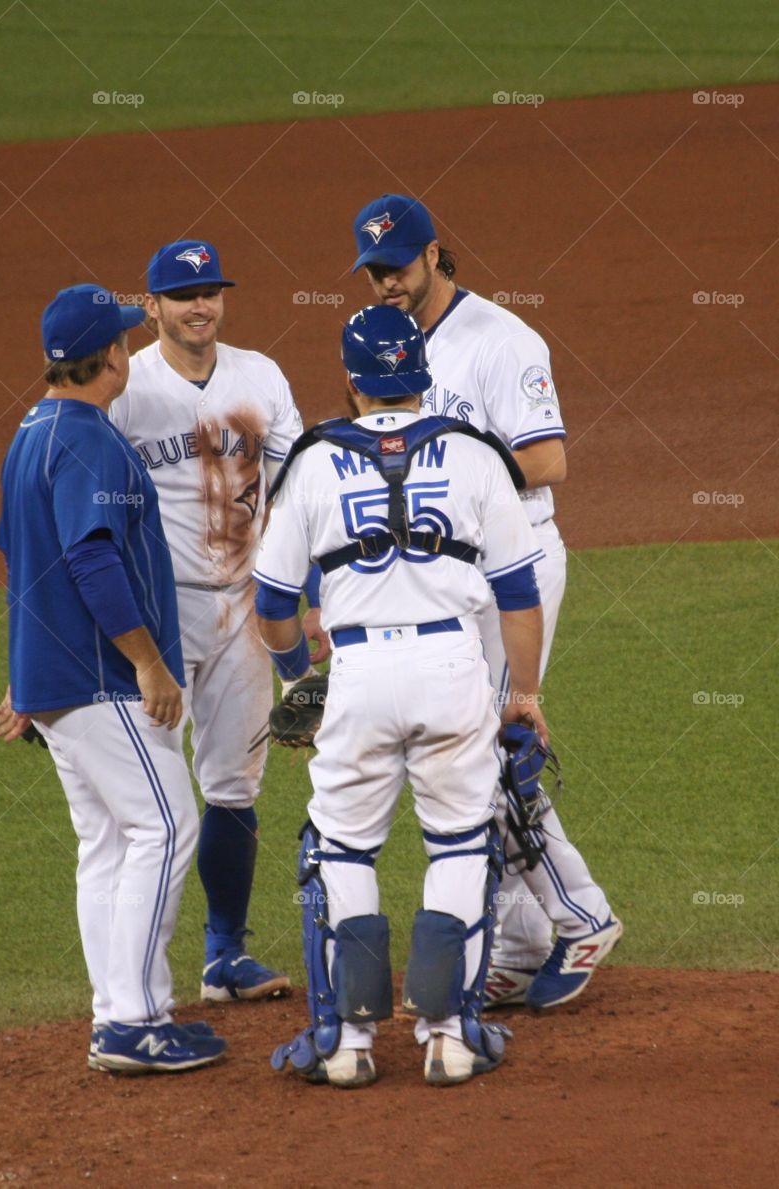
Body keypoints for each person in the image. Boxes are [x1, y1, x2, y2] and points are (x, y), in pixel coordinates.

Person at [255, 304, 547, 1087]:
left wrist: (297, 680)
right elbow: (519, 595)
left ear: (351, 381)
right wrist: (522, 692)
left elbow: (273, 602)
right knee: (460, 842)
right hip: (454, 666)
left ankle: (346, 1047)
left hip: (357, 673)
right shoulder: (475, 454)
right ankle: (450, 1037)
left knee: (341, 848)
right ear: (424, 371)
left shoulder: (313, 460)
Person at [345, 194, 622, 1010]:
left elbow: (547, 460)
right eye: (372, 270)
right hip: (446, 575)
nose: (384, 283)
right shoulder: (387, 345)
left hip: (514, 561)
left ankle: (582, 916)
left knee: (488, 747)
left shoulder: (503, 340)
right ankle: (520, 940)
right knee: (462, 749)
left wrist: (451, 474)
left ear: (435, 254)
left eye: (396, 267)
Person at [0, 282, 226, 1075]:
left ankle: (123, 1010)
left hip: (56, 680)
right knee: (164, 827)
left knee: (107, 842)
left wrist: (27, 677)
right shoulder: (89, 438)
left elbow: (26, 559)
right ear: (112, 357)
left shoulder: (31, 431)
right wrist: (149, 662)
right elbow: (89, 557)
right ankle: (131, 1020)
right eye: (124, 338)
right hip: (101, 678)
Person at [109, 239, 316, 1002]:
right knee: (151, 804)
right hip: (160, 616)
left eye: (212, 292)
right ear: (152, 303)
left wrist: (307, 595)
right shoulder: (125, 386)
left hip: (246, 609)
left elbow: (302, 491)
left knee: (234, 782)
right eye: (183, 294)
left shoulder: (260, 375)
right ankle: (136, 981)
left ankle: (224, 953)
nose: (202, 306)